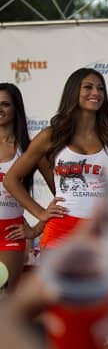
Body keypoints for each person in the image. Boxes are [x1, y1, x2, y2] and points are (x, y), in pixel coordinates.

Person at [5, 69, 108, 250]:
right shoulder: (51, 136)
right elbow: (11, 180)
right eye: (88, 87)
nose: (95, 93)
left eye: (100, 89)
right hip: (61, 229)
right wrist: (40, 213)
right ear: (73, 92)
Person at [0, 83, 48, 290]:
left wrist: (37, 228)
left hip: (9, 233)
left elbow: (65, 193)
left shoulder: (29, 149)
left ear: (16, 109)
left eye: (5, 104)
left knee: (3, 296)